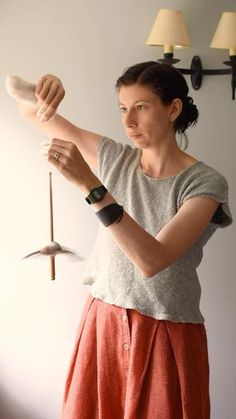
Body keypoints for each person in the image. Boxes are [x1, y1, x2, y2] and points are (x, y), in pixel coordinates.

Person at [9, 61, 232, 419]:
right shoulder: (115, 157)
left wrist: (91, 186)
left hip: (166, 333)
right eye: (123, 109)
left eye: (141, 108)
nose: (128, 121)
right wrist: (42, 89)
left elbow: (152, 261)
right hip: (104, 323)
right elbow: (26, 107)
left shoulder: (205, 183)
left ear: (173, 109)